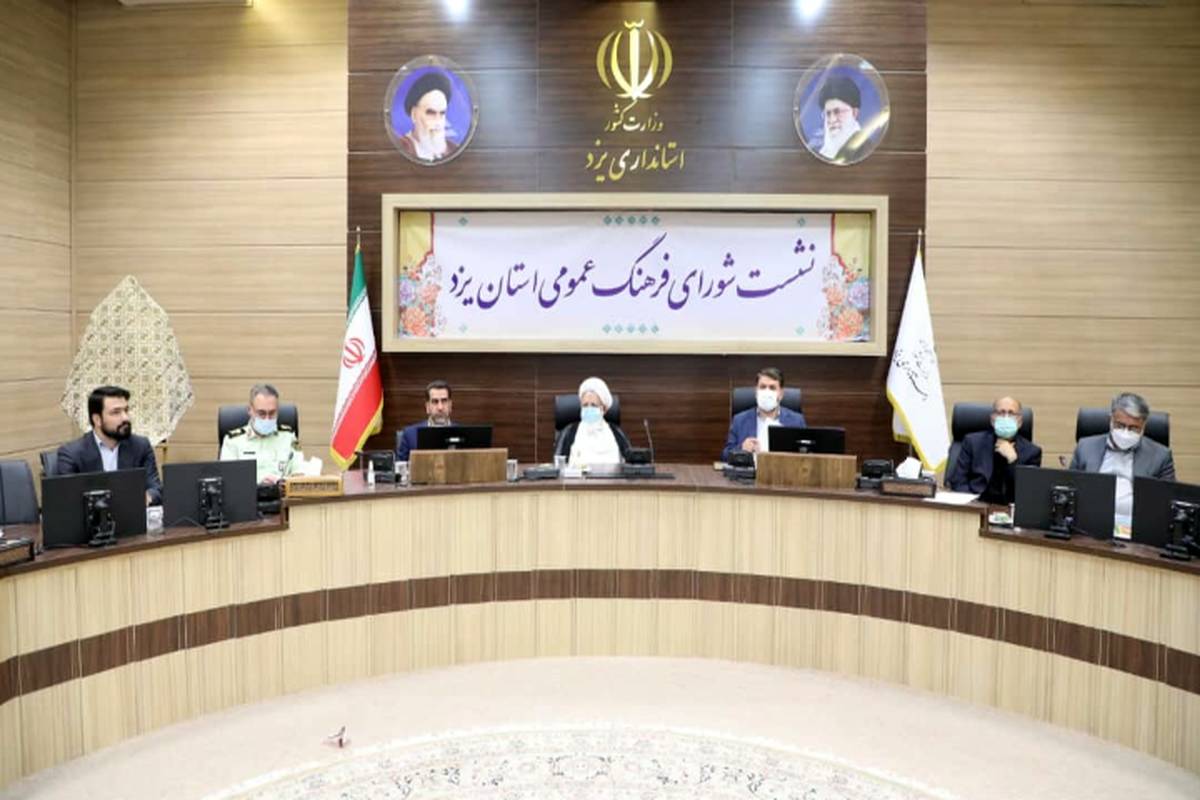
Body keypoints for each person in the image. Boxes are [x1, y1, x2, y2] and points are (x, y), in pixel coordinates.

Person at [1069, 392, 1175, 525]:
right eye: (1120, 425)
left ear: (1144, 425)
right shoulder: (1085, 447)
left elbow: (1167, 503)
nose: (1125, 432)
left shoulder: (1161, 456)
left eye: (1133, 428)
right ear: (1111, 420)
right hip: (1090, 522)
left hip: (1137, 525)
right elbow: (1070, 490)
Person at [56, 385, 162, 506]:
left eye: (126, 410)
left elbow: (156, 489)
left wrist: (146, 497)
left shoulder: (140, 446)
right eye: (116, 412)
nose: (125, 418)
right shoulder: (71, 454)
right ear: (97, 420)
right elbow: (67, 500)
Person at [945, 396, 1042, 504]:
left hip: (1009, 509)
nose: (1006, 417)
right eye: (1001, 412)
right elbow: (958, 481)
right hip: (976, 504)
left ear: (1020, 421)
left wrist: (1013, 460)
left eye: (1011, 413)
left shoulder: (1032, 452)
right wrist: (974, 504)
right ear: (992, 419)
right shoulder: (972, 442)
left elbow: (1027, 492)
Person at [220, 383, 300, 484]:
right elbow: (228, 479)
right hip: (248, 493)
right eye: (261, 413)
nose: (267, 419)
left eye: (272, 413)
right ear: (250, 410)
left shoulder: (290, 437)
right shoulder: (232, 441)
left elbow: (300, 472)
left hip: (282, 492)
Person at [722, 368, 806, 462]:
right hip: (751, 471)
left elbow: (807, 456)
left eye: (772, 388)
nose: (767, 392)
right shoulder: (739, 420)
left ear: (781, 394)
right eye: (762, 387)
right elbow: (725, 456)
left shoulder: (796, 421)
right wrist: (741, 448)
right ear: (756, 391)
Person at [557, 377, 631, 468]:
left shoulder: (616, 433)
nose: (589, 409)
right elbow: (558, 466)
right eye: (585, 405)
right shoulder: (569, 432)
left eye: (593, 405)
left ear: (604, 409)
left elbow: (630, 465)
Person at [396, 70, 460, 163]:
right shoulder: (401, 148)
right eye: (431, 113)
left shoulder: (453, 149)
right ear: (414, 114)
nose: (437, 122)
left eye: (442, 113)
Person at [395, 380, 453, 462]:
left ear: (450, 405)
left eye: (444, 401)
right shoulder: (410, 435)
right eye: (435, 402)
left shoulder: (463, 433)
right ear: (427, 407)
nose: (440, 407)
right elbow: (400, 467)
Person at [815, 75, 865, 162]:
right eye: (828, 113)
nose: (832, 120)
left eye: (837, 112)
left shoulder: (864, 149)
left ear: (854, 113)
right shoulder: (824, 152)